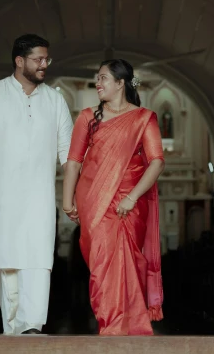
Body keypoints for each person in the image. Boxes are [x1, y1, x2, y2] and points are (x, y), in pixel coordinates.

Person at [0, 34, 73, 335]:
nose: (44, 65)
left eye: (46, 59)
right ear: (19, 61)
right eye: (38, 59)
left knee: (39, 261)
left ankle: (32, 328)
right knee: (7, 259)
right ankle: (14, 332)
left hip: (39, 199)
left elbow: (67, 153)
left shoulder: (55, 100)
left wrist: (73, 194)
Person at [62, 59, 165, 336]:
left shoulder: (144, 118)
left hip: (130, 201)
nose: (98, 83)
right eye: (97, 78)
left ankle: (119, 329)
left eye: (104, 78)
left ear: (121, 83)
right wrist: (66, 199)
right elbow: (73, 161)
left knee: (126, 260)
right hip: (93, 199)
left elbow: (156, 161)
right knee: (102, 262)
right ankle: (112, 325)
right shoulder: (87, 118)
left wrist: (131, 197)